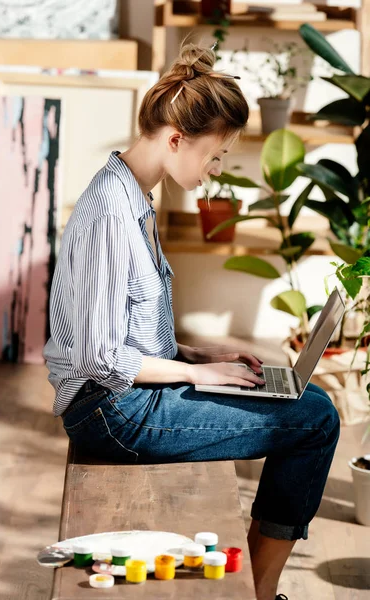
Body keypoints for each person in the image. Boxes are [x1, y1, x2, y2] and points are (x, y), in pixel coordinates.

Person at [42, 41, 340, 600]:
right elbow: (99, 357)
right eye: (215, 153)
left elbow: (127, 331)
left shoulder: (133, 196)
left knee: (307, 402)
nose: (216, 168)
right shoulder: (111, 211)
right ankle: (260, 592)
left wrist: (195, 356)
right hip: (113, 414)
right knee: (316, 420)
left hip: (126, 399)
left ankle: (259, 587)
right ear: (175, 139)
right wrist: (197, 378)